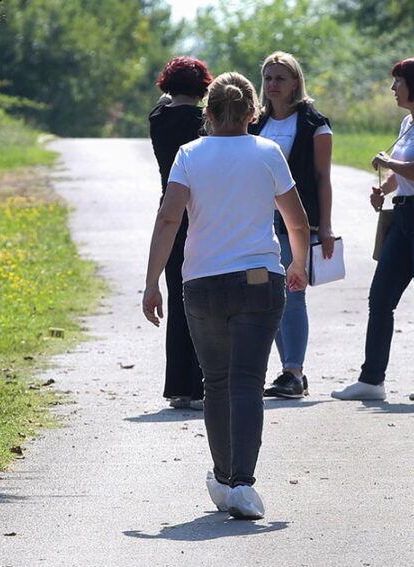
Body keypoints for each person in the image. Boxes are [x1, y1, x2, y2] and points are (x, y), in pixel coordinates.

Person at [142, 72, 311, 520]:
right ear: (252, 114)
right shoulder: (269, 152)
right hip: (259, 280)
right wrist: (298, 264)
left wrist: (152, 281)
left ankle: (223, 476)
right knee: (247, 382)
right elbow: (296, 220)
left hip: (202, 283)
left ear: (209, 114)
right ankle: (242, 482)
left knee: (215, 384)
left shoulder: (189, 155)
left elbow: (168, 220)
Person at [331, 58, 414, 402]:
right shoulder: (409, 121)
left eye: (398, 82)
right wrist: (384, 188)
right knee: (381, 298)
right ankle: (372, 380)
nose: (393, 89)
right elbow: (401, 174)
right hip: (403, 218)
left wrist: (388, 163)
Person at [247, 52, 334, 399]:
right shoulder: (256, 123)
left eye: (280, 78)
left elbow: (322, 177)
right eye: (268, 78)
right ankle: (290, 371)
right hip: (260, 222)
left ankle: (294, 371)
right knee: (270, 296)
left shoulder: (314, 123)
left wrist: (324, 226)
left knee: (293, 294)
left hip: (296, 221)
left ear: (296, 82)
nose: (272, 85)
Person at [148, 56, 212, 410]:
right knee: (202, 298)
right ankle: (202, 383)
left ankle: (178, 386)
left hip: (169, 208)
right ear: (203, 87)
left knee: (178, 296)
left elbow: (161, 104)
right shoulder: (205, 122)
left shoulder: (158, 119)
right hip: (201, 213)